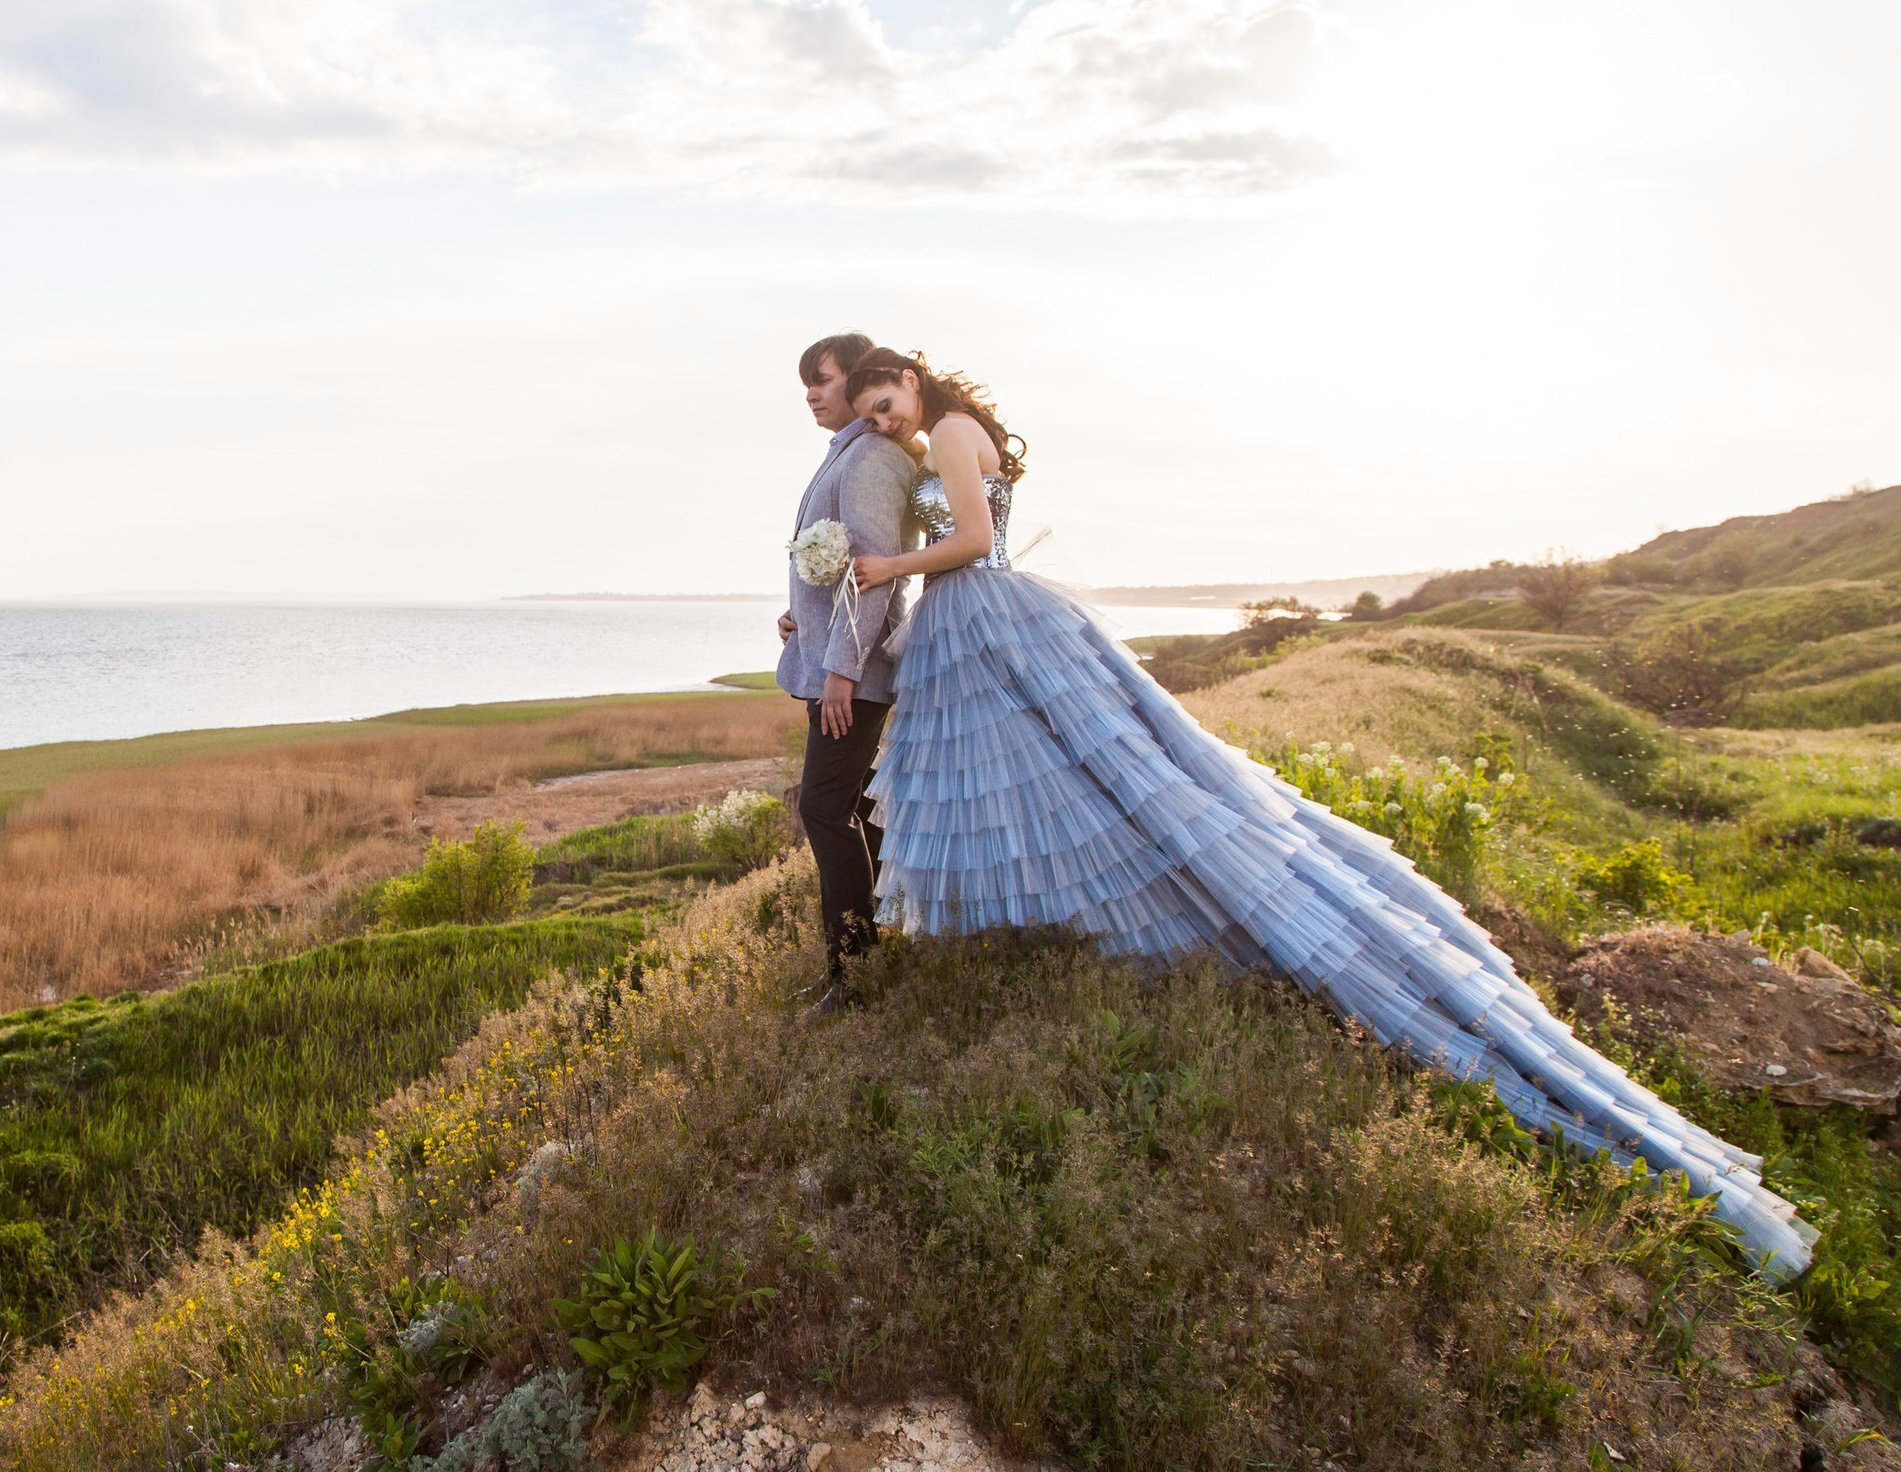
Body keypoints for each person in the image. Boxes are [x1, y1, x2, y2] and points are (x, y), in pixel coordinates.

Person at [839, 345, 1816, 1281]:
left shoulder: (958, 430)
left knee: (1086, 783)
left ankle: (1062, 937)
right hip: (963, 631)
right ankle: (1019, 944)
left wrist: (888, 571)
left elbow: (971, 543)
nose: (886, 423)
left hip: (985, 612)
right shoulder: (940, 440)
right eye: (872, 415)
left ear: (915, 384)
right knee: (1021, 789)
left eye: (887, 404)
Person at [775, 332, 920, 1013]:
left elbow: (875, 574)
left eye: (822, 380)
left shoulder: (869, 457)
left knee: (823, 807)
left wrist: (839, 669)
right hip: (833, 659)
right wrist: (800, 613)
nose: (810, 392)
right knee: (858, 808)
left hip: (849, 674)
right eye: (805, 380)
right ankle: (874, 955)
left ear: (856, 380)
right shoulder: (847, 453)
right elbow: (833, 565)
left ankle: (853, 976)